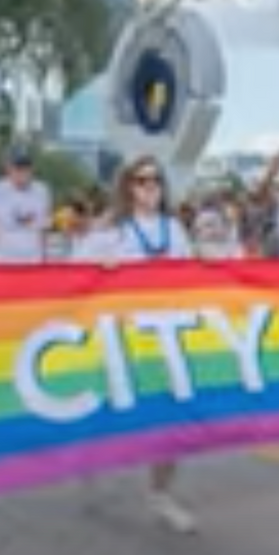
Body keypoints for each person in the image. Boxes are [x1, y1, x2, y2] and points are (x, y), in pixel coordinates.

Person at [72, 156, 197, 533]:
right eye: (142, 181)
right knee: (113, 416)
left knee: (171, 420)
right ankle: (89, 456)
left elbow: (189, 276)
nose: (151, 187)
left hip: (166, 337)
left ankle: (160, 496)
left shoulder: (174, 229)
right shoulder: (111, 230)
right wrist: (102, 268)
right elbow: (76, 272)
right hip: (122, 340)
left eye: (157, 180)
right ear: (128, 186)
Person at [0, 150, 52, 265]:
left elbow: (43, 228)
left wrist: (45, 259)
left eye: (26, 168)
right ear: (8, 169)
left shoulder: (42, 191)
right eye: (18, 168)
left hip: (30, 261)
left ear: (32, 169)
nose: (22, 172)